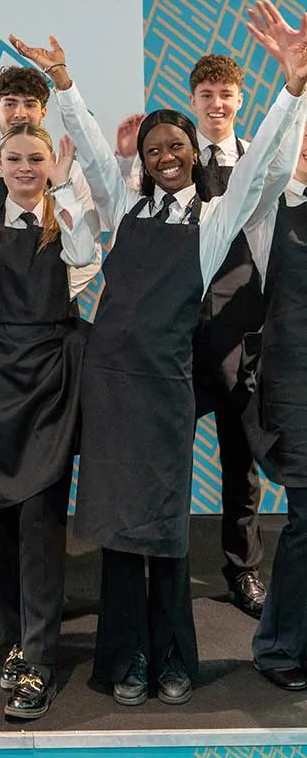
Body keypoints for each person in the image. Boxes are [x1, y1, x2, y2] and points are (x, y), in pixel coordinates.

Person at [9, 6, 307, 708]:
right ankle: (127, 658)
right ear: (141, 159)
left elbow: (264, 164)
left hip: (166, 386)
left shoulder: (213, 220)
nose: (166, 154)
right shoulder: (125, 207)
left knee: (166, 525)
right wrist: (65, 84)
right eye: (153, 148)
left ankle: (173, 657)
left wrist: (293, 90)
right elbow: (81, 133)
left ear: (193, 152)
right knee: (117, 525)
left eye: (176, 145)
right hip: (110, 387)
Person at [0, 116, 98, 719]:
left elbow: (88, 257)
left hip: (49, 382)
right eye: (12, 158)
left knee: (40, 523)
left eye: (35, 158)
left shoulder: (67, 219)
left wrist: (66, 190)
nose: (24, 168)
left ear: (50, 163)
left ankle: (38, 660)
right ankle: (15, 640)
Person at [115, 53, 268, 618]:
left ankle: (243, 569)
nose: (217, 103)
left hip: (237, 333)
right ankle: (158, 557)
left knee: (240, 460)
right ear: (194, 101)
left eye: (226, 93)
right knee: (161, 454)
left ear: (240, 100)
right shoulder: (164, 164)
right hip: (174, 333)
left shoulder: (258, 163)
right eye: (206, 94)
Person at [241, 8, 307, 690]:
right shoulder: (268, 208)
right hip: (294, 384)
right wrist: (293, 87)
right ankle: (280, 648)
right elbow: (262, 161)